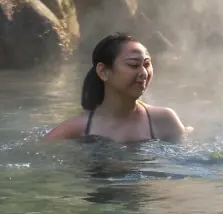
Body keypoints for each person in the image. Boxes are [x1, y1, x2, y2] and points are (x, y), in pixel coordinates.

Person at [44, 33, 187, 143]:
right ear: (103, 72)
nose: (144, 73)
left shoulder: (164, 120)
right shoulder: (77, 129)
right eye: (133, 65)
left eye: (147, 64)